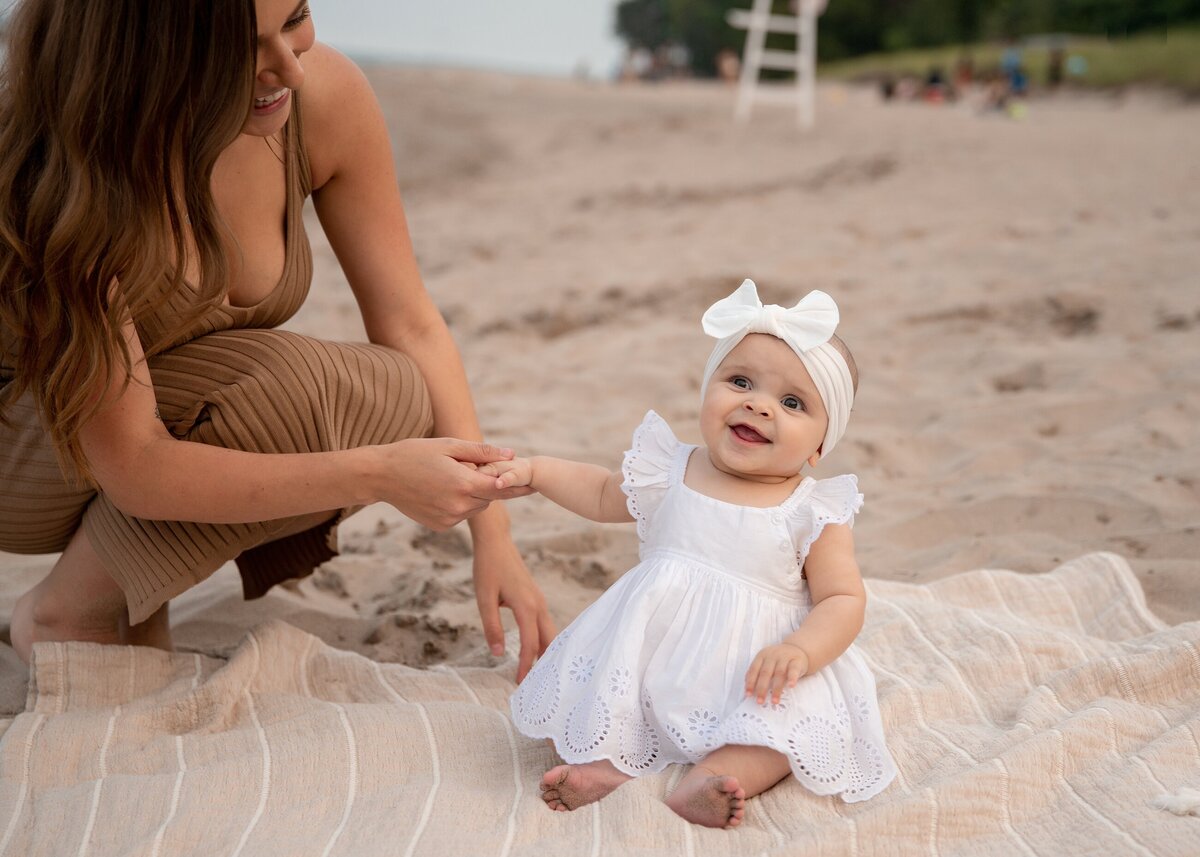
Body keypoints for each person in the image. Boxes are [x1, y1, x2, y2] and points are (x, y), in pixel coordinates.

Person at [0, 0, 554, 678]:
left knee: (390, 393)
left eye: (294, 18)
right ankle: (66, 612)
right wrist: (380, 472)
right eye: (243, 48)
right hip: (28, 444)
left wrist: (491, 532)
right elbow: (136, 463)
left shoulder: (324, 98)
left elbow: (409, 321)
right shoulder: (70, 179)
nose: (289, 67)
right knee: (298, 400)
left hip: (149, 415)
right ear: (149, 57)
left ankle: (128, 599)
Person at [488, 281, 897, 828]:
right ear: (707, 389)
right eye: (740, 381)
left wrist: (801, 650)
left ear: (820, 446)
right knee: (602, 703)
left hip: (756, 670)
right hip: (652, 656)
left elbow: (844, 598)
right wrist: (538, 471)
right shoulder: (671, 471)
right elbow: (602, 491)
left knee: (783, 733)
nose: (758, 403)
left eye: (792, 402)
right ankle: (607, 769)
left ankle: (714, 779)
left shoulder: (812, 511)